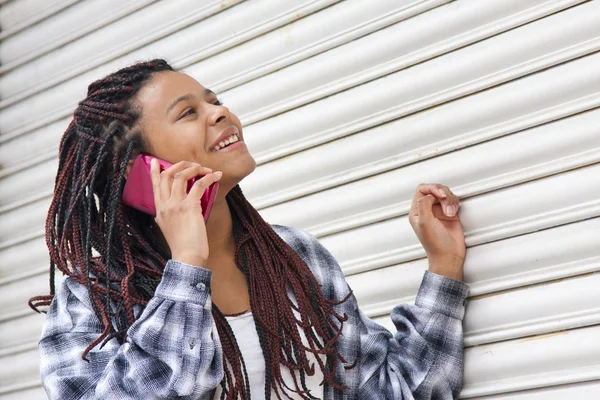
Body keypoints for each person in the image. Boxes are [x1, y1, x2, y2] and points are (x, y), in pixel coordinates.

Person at [30, 59, 469, 400]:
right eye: (188, 113)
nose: (220, 113)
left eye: (214, 100)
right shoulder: (94, 300)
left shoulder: (295, 257)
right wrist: (186, 269)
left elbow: (397, 392)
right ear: (137, 173)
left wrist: (443, 267)